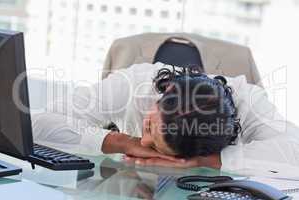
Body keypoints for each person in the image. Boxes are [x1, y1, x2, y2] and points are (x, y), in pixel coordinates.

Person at [32, 62, 299, 172]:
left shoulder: (251, 102)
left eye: (152, 141)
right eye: (148, 125)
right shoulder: (135, 82)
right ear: (167, 90)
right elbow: (39, 123)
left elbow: (294, 150)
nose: (145, 142)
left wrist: (205, 161)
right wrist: (124, 142)